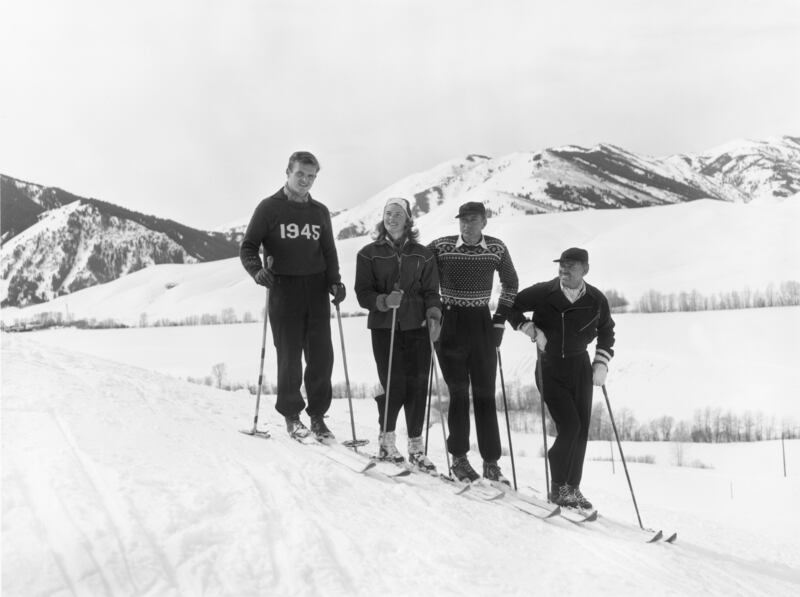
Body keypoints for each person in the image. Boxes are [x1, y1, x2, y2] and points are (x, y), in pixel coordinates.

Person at [240, 151, 346, 441]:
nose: (306, 181)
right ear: (287, 172)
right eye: (300, 174)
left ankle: (317, 417)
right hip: (283, 288)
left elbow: (329, 251)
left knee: (322, 356)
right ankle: (291, 416)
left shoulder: (320, 212)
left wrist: (335, 283)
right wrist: (257, 271)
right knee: (289, 355)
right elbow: (248, 247)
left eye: (311, 176)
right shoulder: (269, 208)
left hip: (316, 289)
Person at [508, 247, 615, 509]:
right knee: (570, 427)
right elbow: (510, 305)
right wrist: (527, 326)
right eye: (562, 265)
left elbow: (607, 330)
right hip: (549, 367)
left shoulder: (596, 299)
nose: (564, 270)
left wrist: (601, 361)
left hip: (580, 366)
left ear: (585, 270)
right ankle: (558, 488)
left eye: (572, 266)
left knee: (581, 431)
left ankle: (572, 488)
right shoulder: (544, 292)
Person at [427, 201, 519, 484]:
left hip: (481, 322)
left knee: (484, 393)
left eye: (473, 219)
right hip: (450, 321)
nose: (467, 225)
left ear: (484, 222)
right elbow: (424, 280)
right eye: (463, 220)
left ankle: (491, 462)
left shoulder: (496, 248)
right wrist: (433, 314)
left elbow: (511, 284)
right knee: (457, 392)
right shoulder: (440, 247)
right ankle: (459, 458)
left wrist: (500, 320)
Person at [354, 197, 442, 472]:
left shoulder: (423, 254)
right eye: (388, 213)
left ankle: (416, 448)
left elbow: (431, 292)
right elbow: (363, 293)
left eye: (398, 214)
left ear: (408, 219)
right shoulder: (368, 253)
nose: (392, 218)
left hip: (417, 326)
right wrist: (383, 301)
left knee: (418, 387)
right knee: (394, 385)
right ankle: (386, 441)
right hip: (385, 326)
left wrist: (434, 315)